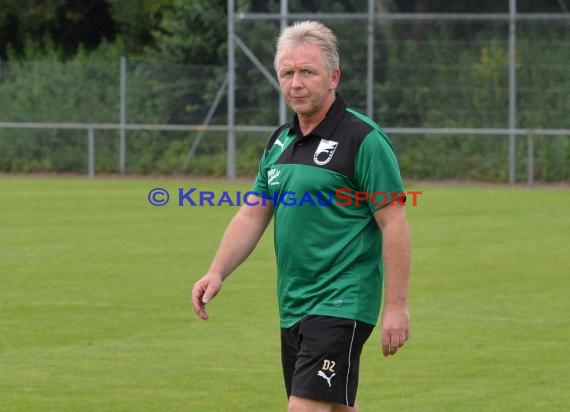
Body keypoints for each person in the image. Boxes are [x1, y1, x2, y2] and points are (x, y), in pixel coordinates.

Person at [191, 20, 411, 412]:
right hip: (294, 303)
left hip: (343, 300)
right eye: (287, 73)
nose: (296, 83)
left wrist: (396, 306)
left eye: (307, 72)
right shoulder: (280, 141)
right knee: (336, 405)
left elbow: (393, 223)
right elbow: (253, 214)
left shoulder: (363, 139)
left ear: (333, 77)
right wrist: (216, 271)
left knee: (304, 407)